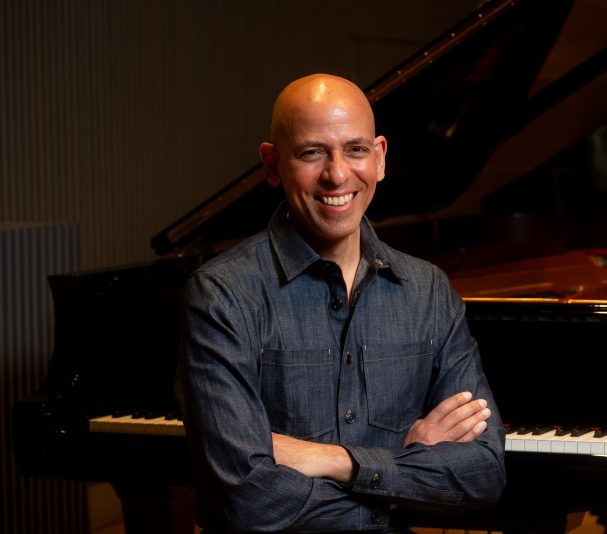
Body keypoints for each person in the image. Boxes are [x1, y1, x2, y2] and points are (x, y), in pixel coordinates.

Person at [177, 73, 506, 533]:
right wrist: (399, 479)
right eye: (312, 153)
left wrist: (336, 461)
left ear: (380, 157)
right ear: (272, 164)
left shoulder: (428, 289)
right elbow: (245, 500)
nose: (337, 174)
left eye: (355, 149)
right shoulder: (223, 294)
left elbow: (484, 472)